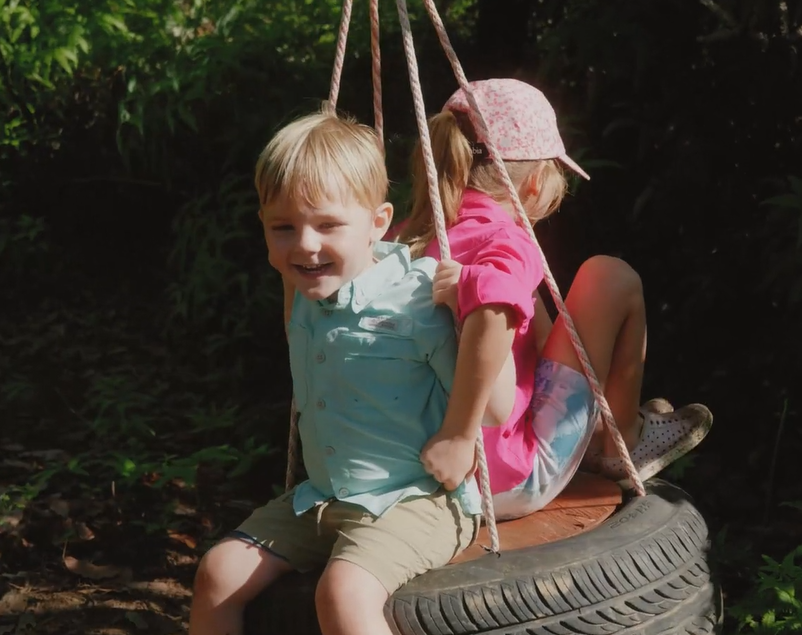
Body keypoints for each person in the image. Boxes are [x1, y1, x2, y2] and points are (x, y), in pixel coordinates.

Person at [189, 109, 499, 635]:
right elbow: (296, 266)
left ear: (379, 223)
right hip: (324, 496)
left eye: (328, 225)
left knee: (344, 593)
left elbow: (495, 403)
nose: (305, 245)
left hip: (415, 499)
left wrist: (459, 435)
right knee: (217, 573)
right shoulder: (308, 290)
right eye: (282, 227)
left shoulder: (418, 302)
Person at [398, 79, 714, 519]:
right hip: (502, 478)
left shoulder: (407, 235)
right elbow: (495, 305)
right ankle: (621, 438)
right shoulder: (504, 242)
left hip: (405, 469)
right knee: (608, 276)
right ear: (533, 186)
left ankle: (605, 424)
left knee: (525, 301)